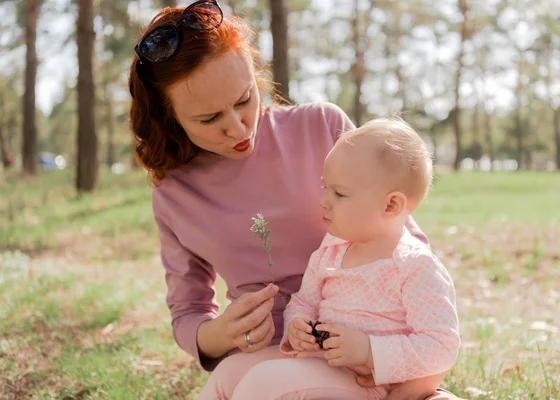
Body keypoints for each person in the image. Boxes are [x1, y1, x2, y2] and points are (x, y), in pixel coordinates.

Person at [128, 1, 463, 399]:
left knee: (260, 387)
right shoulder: (174, 192)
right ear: (170, 118)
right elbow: (187, 312)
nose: (237, 127)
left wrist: (408, 374)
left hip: (368, 349)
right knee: (230, 379)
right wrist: (220, 334)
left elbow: (405, 245)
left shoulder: (323, 127)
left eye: (243, 99)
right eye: (209, 119)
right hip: (282, 352)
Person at [198, 119, 460, 400]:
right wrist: (298, 325)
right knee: (229, 372)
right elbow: (304, 302)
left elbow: (440, 346)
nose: (324, 200)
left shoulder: (414, 266)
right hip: (318, 362)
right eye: (326, 188)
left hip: (369, 381)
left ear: (391, 205)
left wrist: (370, 351)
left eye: (340, 193)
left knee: (263, 384)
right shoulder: (332, 249)